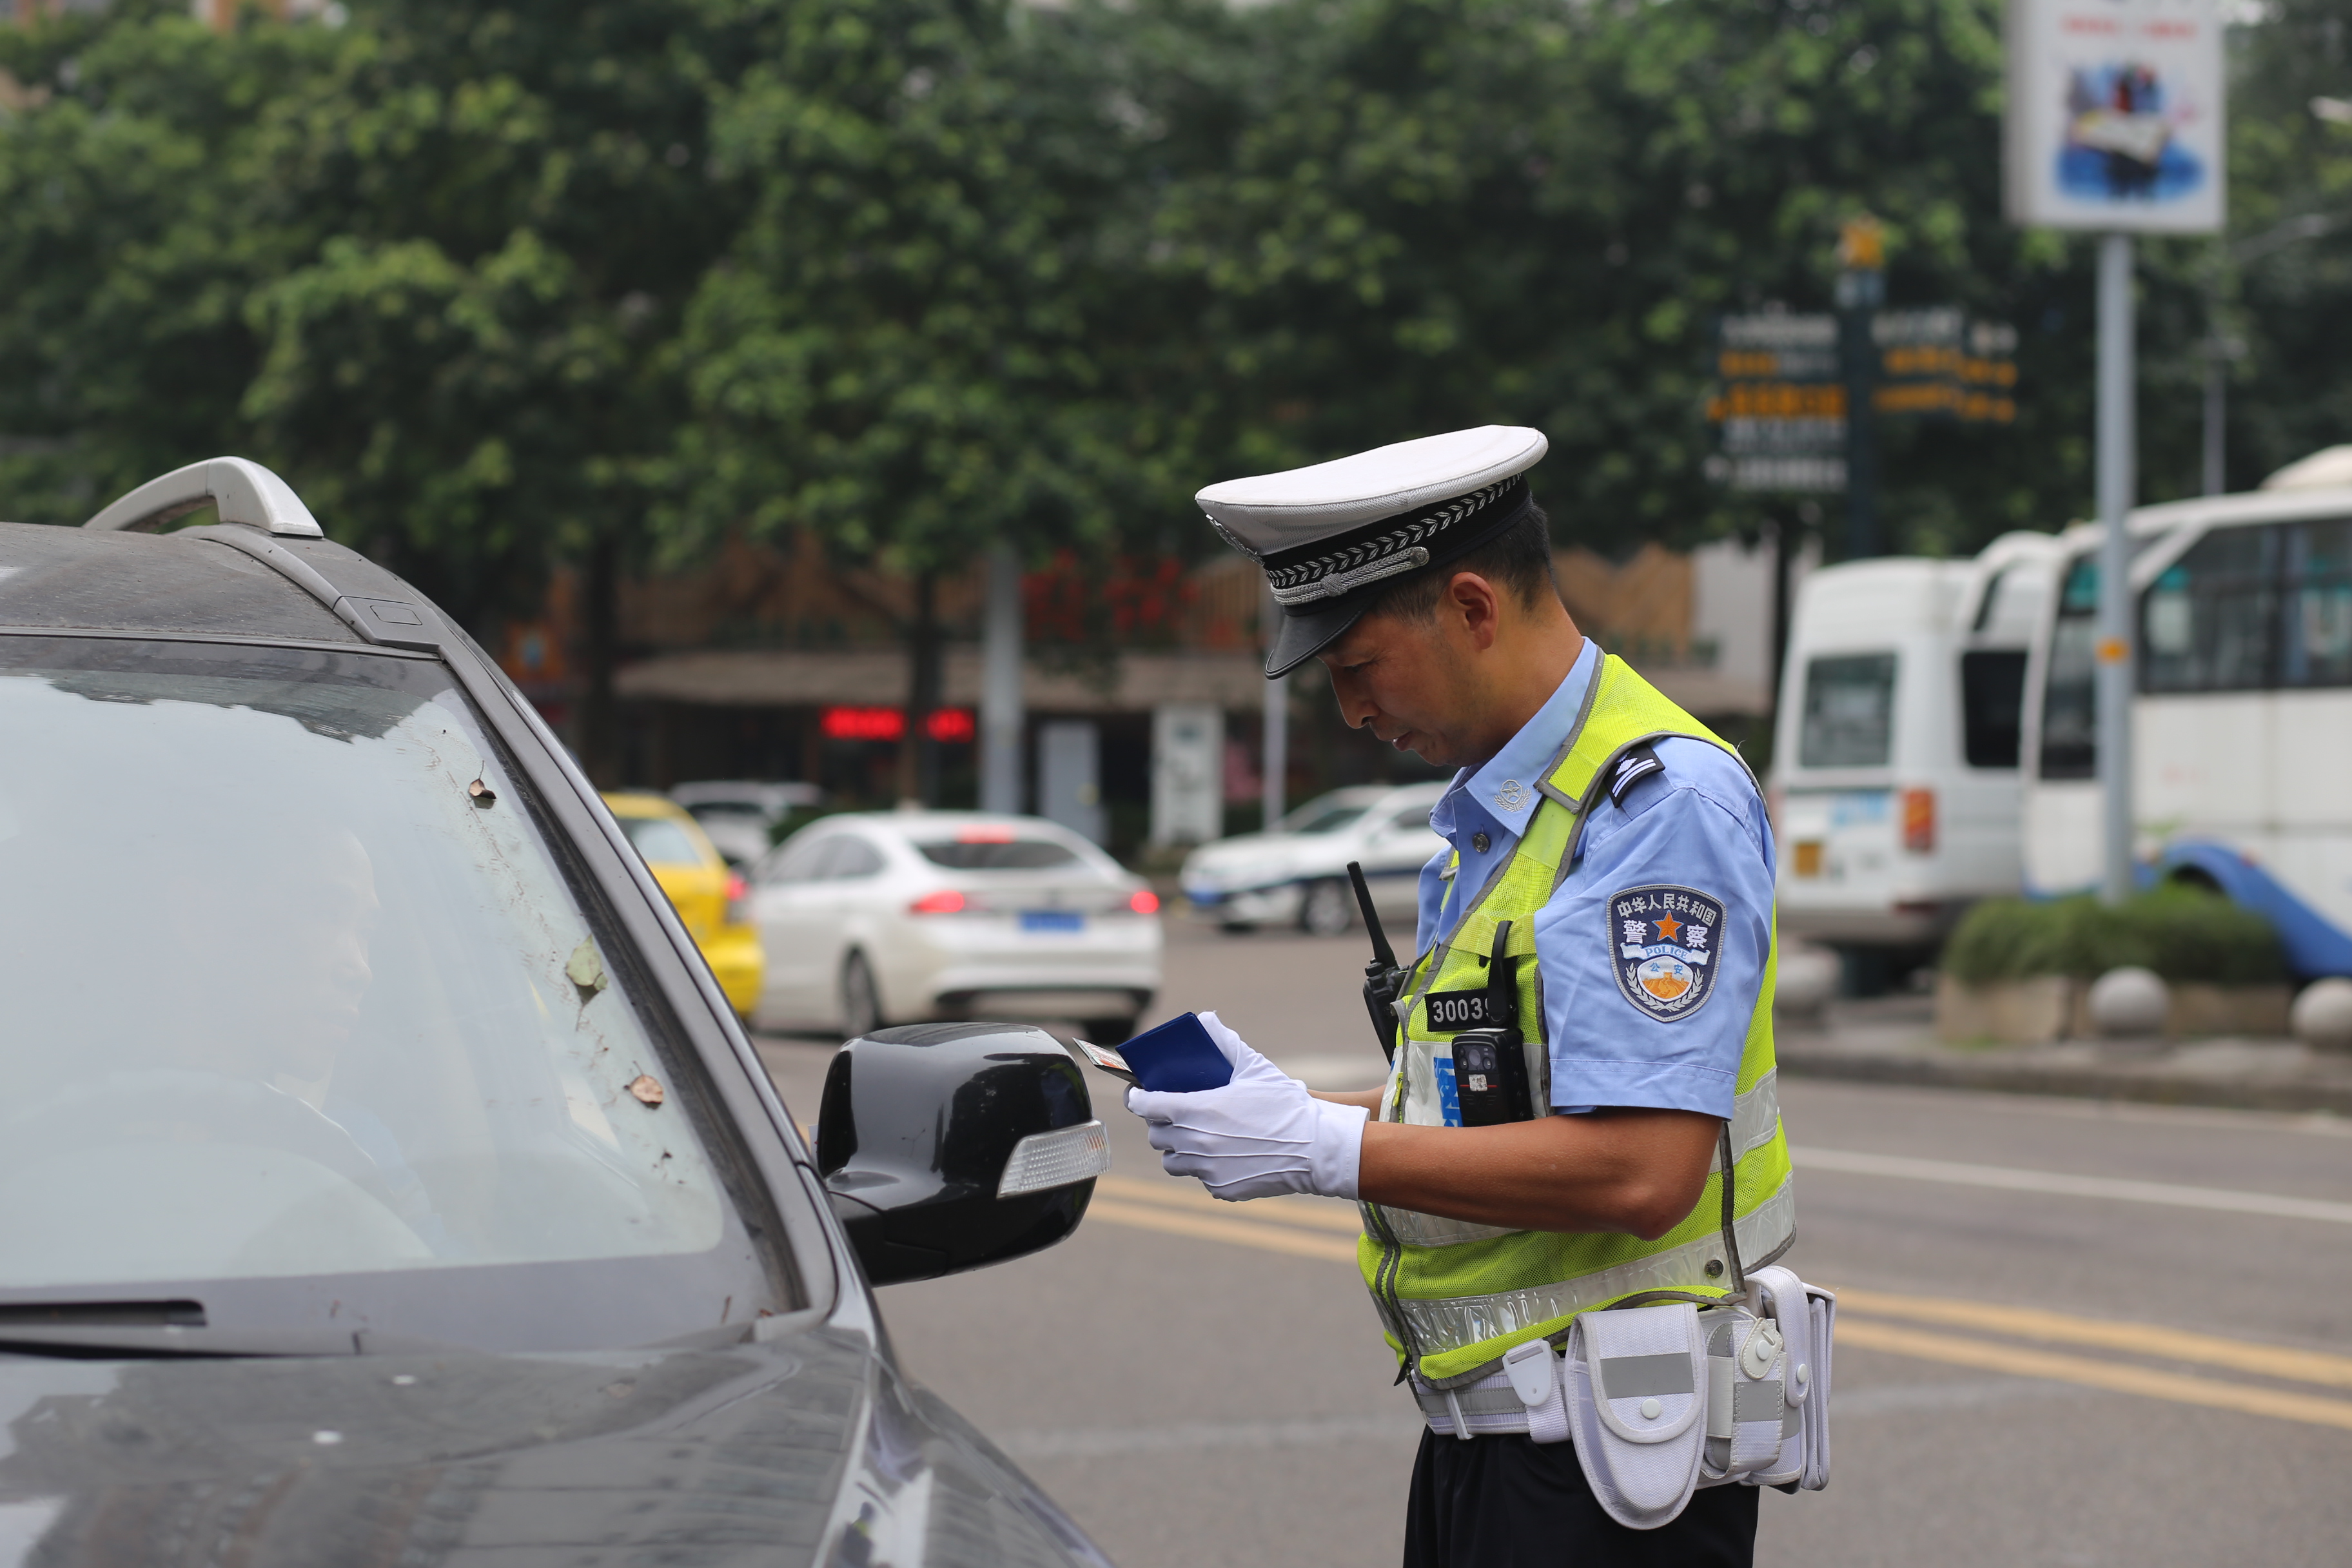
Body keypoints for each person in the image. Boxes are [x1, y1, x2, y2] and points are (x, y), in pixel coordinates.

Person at [1124, 426, 1794, 1567]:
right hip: (1498, 1444)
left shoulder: (1650, 806)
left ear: (1474, 608)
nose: (1351, 713)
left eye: (1358, 668)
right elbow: (1495, 1111)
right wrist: (1305, 1112)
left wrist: (1325, 1149)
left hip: (1604, 1469)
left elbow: (1642, 1166)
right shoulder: (1499, 819)